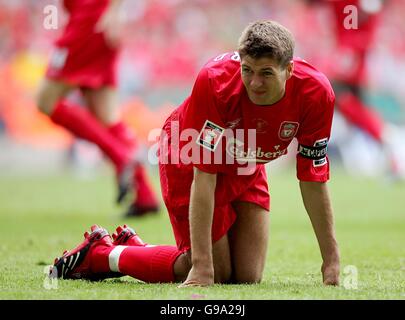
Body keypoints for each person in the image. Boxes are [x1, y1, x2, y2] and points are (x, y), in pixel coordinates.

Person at [50, 20, 340, 286]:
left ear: (288, 70)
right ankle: (100, 255)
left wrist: (331, 261)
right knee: (216, 271)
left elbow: (313, 178)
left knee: (248, 277)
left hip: (244, 164)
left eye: (266, 73)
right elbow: (204, 177)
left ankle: (138, 250)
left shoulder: (316, 94)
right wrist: (202, 267)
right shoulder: (216, 82)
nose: (254, 83)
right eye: (248, 70)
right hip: (186, 156)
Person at [37, 0, 159, 216]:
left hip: (89, 23)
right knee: (107, 117)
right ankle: (145, 196)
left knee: (46, 101)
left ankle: (121, 157)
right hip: (92, 23)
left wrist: (112, 11)